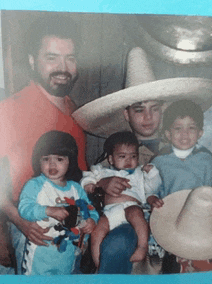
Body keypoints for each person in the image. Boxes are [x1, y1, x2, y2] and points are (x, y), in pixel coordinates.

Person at [72, 46, 212, 273]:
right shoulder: (114, 155)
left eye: (154, 109)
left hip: (181, 227)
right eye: (139, 110)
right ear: (126, 114)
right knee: (118, 244)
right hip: (127, 223)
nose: (148, 118)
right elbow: (89, 189)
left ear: (163, 110)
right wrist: (100, 184)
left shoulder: (185, 152)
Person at [0, 14, 87, 274]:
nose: (63, 67)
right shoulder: (9, 111)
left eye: (70, 57)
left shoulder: (77, 114)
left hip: (72, 228)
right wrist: (18, 219)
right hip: (32, 228)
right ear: (33, 61)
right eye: (52, 57)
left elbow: (79, 176)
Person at [18, 131, 98, 275]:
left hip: (68, 254)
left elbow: (90, 209)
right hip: (40, 253)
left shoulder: (76, 188)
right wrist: (48, 210)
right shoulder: (35, 185)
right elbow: (24, 208)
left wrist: (92, 220)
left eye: (59, 159)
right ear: (38, 160)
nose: (52, 164)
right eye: (46, 159)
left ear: (70, 161)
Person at [80, 131, 161, 268]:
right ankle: (98, 262)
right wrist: (89, 183)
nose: (129, 161)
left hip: (131, 206)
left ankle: (142, 247)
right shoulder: (103, 172)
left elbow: (152, 188)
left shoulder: (139, 173)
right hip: (109, 211)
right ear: (111, 159)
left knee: (138, 216)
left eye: (133, 156)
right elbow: (88, 176)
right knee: (97, 231)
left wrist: (152, 173)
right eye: (122, 156)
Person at [148, 99, 212, 208]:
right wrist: (151, 198)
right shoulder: (158, 161)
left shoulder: (206, 159)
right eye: (178, 128)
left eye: (191, 128)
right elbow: (150, 188)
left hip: (201, 213)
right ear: (168, 134)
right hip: (170, 213)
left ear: (200, 133)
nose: (185, 133)